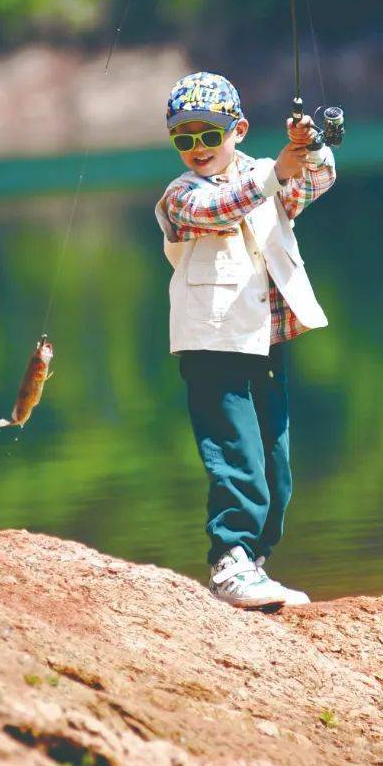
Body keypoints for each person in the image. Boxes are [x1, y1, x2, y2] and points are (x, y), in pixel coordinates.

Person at [154, 71, 336, 609]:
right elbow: (221, 208)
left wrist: (310, 148)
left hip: (266, 343)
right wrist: (275, 171)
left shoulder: (266, 174)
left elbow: (314, 182)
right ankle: (228, 562)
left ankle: (254, 563)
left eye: (208, 134)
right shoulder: (181, 195)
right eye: (183, 139)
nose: (197, 149)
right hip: (211, 346)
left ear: (238, 129)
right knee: (237, 459)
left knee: (276, 470)